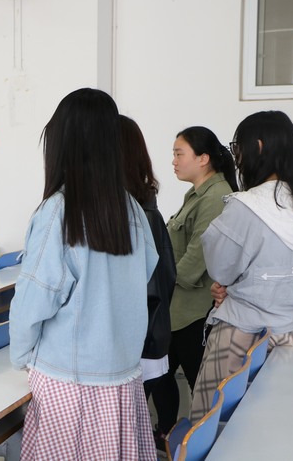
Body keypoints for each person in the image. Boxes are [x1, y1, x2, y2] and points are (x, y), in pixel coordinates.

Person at [9, 88, 159, 460]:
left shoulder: (58, 211)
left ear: (63, 143)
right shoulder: (131, 208)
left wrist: (20, 357)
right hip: (121, 375)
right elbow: (146, 271)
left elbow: (34, 300)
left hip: (68, 380)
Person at [189, 111, 293, 419]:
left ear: (256, 146)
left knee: (219, 425)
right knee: (279, 424)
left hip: (241, 338)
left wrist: (229, 286)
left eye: (237, 147)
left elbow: (221, 270)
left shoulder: (245, 207)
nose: (236, 156)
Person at [150, 126, 238, 444]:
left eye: (179, 154)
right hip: (179, 308)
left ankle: (196, 443)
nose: (173, 161)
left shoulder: (214, 197)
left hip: (192, 310)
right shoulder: (198, 193)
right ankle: (167, 434)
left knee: (198, 386)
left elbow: (193, 261)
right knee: (160, 375)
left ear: (203, 158)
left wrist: (157, 284)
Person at [118, 115, 176, 397]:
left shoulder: (136, 216)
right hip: (151, 338)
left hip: (139, 346)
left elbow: (148, 290)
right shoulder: (146, 209)